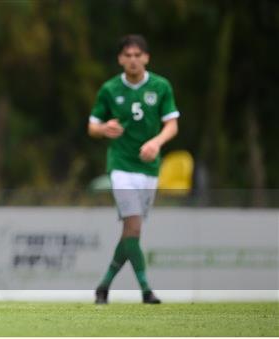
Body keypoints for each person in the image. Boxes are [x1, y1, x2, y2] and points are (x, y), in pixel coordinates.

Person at [88, 35, 179, 304]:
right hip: (121, 166)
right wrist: (104, 129)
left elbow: (172, 125)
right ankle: (146, 290)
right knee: (134, 227)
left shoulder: (161, 86)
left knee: (130, 232)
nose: (133, 60)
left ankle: (103, 286)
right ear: (120, 59)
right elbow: (92, 126)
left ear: (146, 58)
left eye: (138, 55)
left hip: (149, 168)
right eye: (128, 55)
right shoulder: (109, 89)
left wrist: (156, 141)